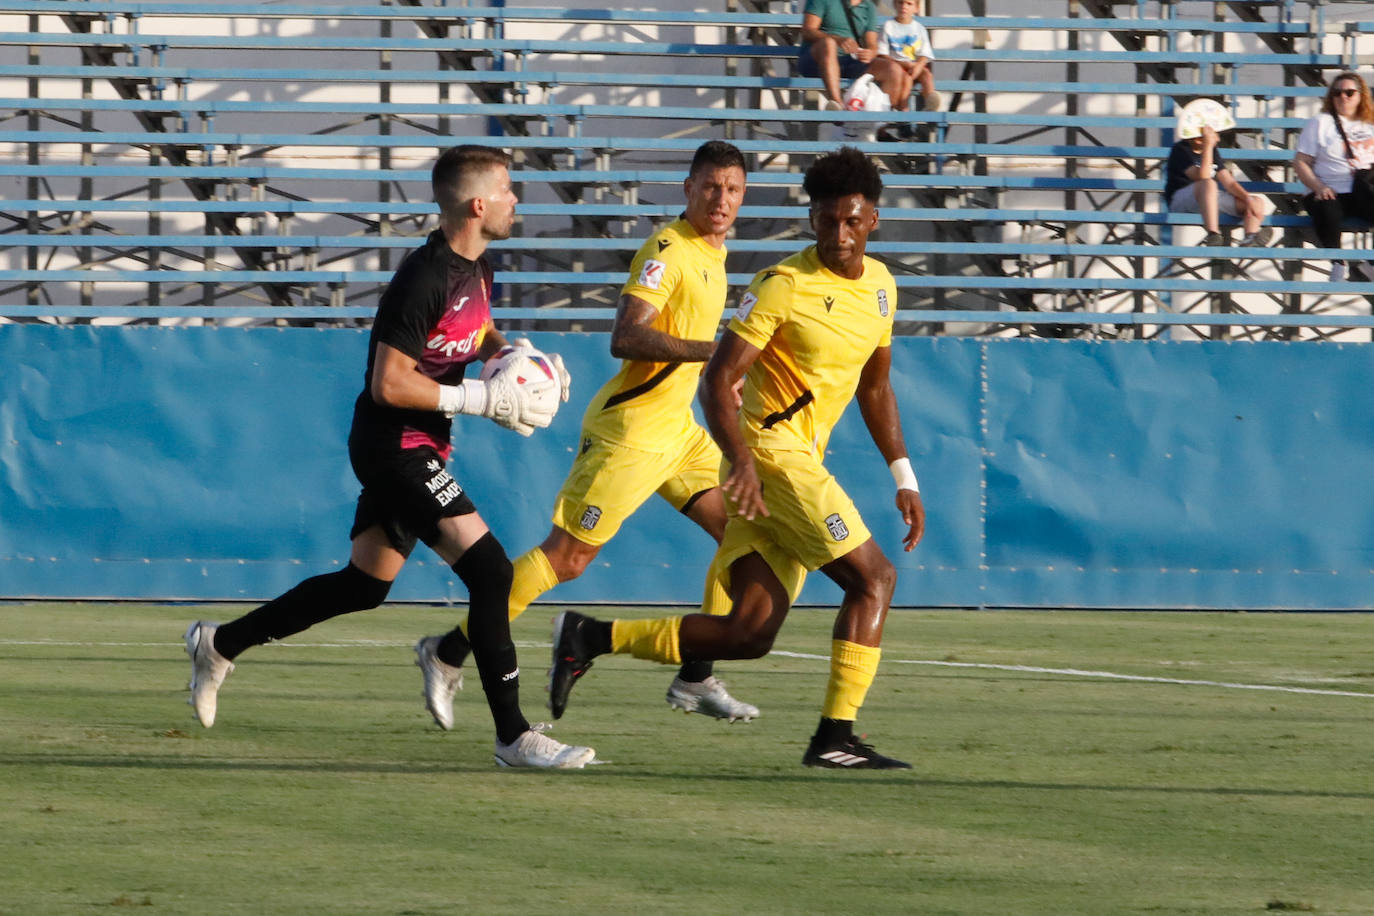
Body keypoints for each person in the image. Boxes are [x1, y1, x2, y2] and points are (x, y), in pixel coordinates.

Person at [183, 145, 596, 769]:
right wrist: (482, 395)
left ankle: (219, 643)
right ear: (478, 204)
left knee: (364, 585)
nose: (517, 200)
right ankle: (513, 735)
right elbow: (388, 382)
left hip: (422, 443)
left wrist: (520, 366)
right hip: (391, 444)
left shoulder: (478, 269)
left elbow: (476, 329)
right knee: (491, 573)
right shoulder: (423, 277)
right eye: (509, 190)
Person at [546, 147, 926, 770]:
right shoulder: (782, 285)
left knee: (748, 635)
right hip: (774, 460)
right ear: (811, 219)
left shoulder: (883, 289)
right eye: (827, 221)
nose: (838, 234)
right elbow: (717, 380)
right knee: (874, 578)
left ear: (873, 220)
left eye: (852, 222)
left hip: (792, 462)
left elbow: (876, 386)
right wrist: (742, 461)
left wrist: (903, 475)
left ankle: (590, 637)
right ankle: (836, 736)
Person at [413, 140, 760, 730]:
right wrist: (718, 353)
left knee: (747, 532)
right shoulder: (668, 251)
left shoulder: (714, 252)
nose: (720, 199)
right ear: (687, 189)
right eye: (709, 186)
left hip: (678, 431)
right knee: (566, 559)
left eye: (731, 189)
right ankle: (446, 653)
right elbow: (626, 336)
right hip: (631, 432)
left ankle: (696, 674)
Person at [1294, 70, 1374, 282]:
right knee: (1328, 208)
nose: (1343, 97)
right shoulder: (1321, 122)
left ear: (1360, 96)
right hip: (1329, 188)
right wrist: (1318, 186)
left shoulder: (1370, 123)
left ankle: (1370, 266)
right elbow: (1301, 161)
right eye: (1337, 93)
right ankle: (1338, 261)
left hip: (1363, 188)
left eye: (1349, 92)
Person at [1164, 124, 1271, 248]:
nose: (1217, 139)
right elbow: (1202, 176)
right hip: (1180, 201)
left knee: (1257, 202)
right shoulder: (1181, 150)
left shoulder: (1212, 150)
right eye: (1214, 135)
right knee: (1208, 183)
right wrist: (1208, 146)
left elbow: (1229, 183)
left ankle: (1250, 236)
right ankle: (1213, 233)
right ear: (1199, 138)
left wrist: (1248, 199)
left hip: (1207, 198)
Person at [799, 0, 905, 115]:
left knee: (893, 70)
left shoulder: (868, 6)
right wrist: (837, 40)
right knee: (828, 44)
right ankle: (837, 105)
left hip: (849, 61)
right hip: (815, 60)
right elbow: (808, 31)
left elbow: (872, 44)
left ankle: (877, 127)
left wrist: (870, 52)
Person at [876, 0, 940, 115]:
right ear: (895, 4)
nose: (904, 7)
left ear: (916, 8)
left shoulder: (919, 28)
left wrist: (918, 66)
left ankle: (930, 99)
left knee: (927, 75)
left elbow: (924, 54)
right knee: (906, 79)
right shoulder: (888, 26)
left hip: (914, 65)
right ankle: (904, 109)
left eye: (909, 4)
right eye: (900, 3)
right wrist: (904, 65)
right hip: (895, 66)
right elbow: (882, 54)